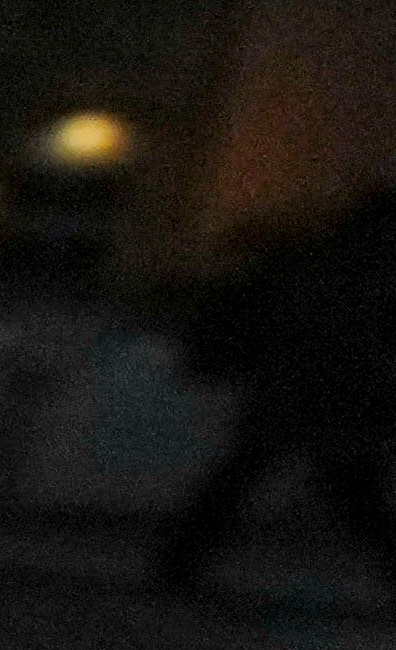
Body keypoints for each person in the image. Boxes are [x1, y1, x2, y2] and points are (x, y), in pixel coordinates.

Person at [156, 183, 396, 600]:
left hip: (293, 387)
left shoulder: (316, 257)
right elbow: (355, 335)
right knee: (352, 492)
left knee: (248, 475)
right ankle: (178, 559)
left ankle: (178, 559)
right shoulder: (363, 267)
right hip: (328, 392)